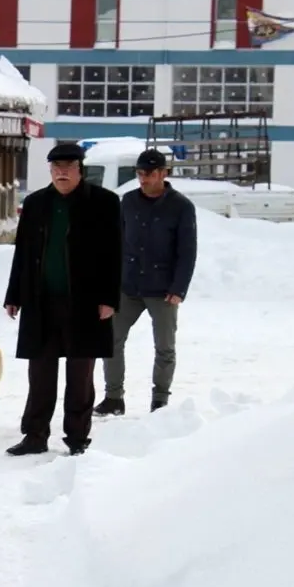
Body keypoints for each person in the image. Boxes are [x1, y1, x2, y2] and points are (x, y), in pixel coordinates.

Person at [3, 142, 122, 456]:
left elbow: (114, 254)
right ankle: (35, 435)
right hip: (41, 301)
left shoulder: (104, 203)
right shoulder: (36, 203)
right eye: (56, 169)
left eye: (68, 168)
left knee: (80, 375)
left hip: (85, 302)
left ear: (80, 170)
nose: (61, 174)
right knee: (40, 373)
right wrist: (14, 295)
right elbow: (23, 253)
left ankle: (77, 438)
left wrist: (109, 298)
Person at [95, 148, 197, 416]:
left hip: (163, 290)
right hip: (128, 286)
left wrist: (178, 288)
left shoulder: (181, 207)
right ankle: (113, 398)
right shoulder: (127, 201)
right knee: (111, 340)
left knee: (164, 347)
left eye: (149, 173)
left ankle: (160, 401)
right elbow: (115, 243)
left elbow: (187, 252)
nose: (144, 179)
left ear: (163, 173)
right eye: (140, 173)